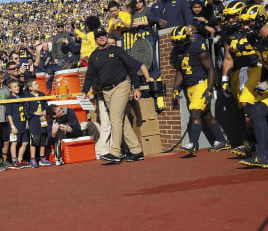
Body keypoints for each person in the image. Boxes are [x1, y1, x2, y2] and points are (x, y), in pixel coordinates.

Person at [81, 28, 154, 164]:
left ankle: (115, 152)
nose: (101, 38)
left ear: (106, 37)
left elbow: (132, 68)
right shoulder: (94, 55)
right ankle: (137, 151)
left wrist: (136, 87)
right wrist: (84, 91)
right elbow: (90, 75)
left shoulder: (117, 50)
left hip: (120, 86)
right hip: (105, 91)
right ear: (95, 40)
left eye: (103, 35)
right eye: (98, 36)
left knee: (115, 119)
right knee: (122, 121)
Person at [170, 26, 230, 156]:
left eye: (180, 41)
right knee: (206, 115)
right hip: (189, 87)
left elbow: (211, 69)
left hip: (201, 84)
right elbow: (180, 71)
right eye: (175, 41)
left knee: (195, 113)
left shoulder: (198, 47)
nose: (178, 44)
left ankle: (192, 144)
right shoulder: (177, 51)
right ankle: (221, 141)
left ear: (186, 38)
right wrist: (176, 87)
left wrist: (209, 88)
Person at [219, 0, 260, 157]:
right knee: (245, 110)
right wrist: (224, 79)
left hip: (255, 69)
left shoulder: (253, 29)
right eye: (228, 17)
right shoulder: (229, 35)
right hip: (238, 73)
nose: (230, 21)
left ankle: (253, 144)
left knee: (249, 105)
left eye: (233, 17)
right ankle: (252, 145)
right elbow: (228, 58)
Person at [238, 4, 268, 168]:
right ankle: (263, 154)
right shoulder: (257, 40)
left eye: (248, 22)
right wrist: (262, 84)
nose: (245, 27)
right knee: (256, 110)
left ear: (261, 19)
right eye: (243, 23)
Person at [24, 78, 52, 167]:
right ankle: (32, 159)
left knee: (43, 138)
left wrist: (45, 111)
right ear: (30, 88)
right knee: (34, 140)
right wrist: (34, 113)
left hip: (43, 119)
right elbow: (26, 110)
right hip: (34, 121)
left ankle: (42, 158)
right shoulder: (27, 97)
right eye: (35, 84)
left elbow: (46, 105)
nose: (38, 85)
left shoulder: (42, 94)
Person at [6, 80, 29, 169]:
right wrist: (12, 126)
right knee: (14, 142)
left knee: (25, 142)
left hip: (23, 123)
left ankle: (19, 159)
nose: (17, 88)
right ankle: (14, 160)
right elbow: (9, 114)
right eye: (14, 87)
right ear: (10, 89)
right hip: (15, 125)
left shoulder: (21, 97)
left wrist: (26, 122)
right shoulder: (10, 99)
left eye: (17, 86)